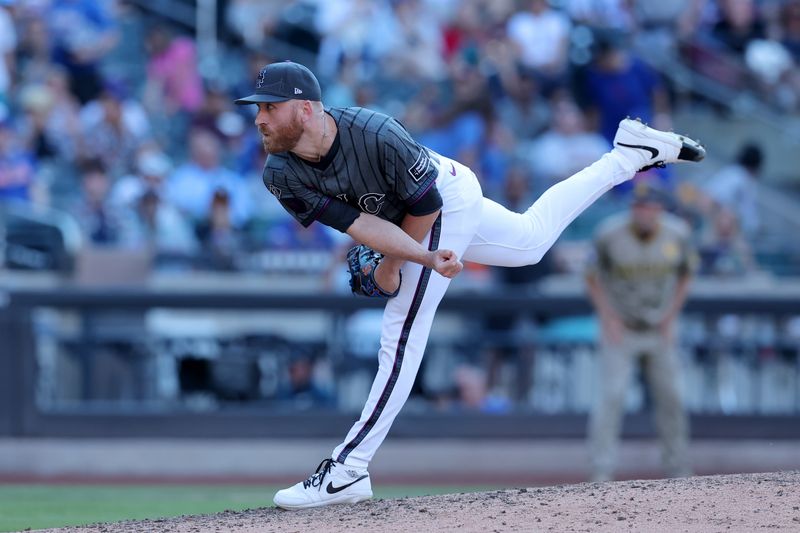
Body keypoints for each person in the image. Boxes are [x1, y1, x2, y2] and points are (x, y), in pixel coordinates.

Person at [233, 60, 705, 509]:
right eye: (257, 108)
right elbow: (358, 225)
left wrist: (401, 263)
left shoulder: (373, 132)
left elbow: (427, 208)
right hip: (408, 221)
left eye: (269, 106)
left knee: (401, 333)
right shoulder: (280, 172)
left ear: (307, 109)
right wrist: (396, 260)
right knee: (530, 242)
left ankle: (349, 467)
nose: (260, 118)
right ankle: (628, 155)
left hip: (444, 199)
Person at [584, 182, 696, 482]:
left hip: (660, 327)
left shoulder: (678, 233)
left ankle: (678, 469)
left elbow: (687, 275)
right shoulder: (610, 233)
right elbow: (591, 276)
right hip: (623, 326)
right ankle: (601, 472)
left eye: (648, 206)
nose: (643, 211)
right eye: (637, 206)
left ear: (659, 208)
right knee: (612, 396)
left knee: (672, 397)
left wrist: (671, 317)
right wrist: (608, 318)